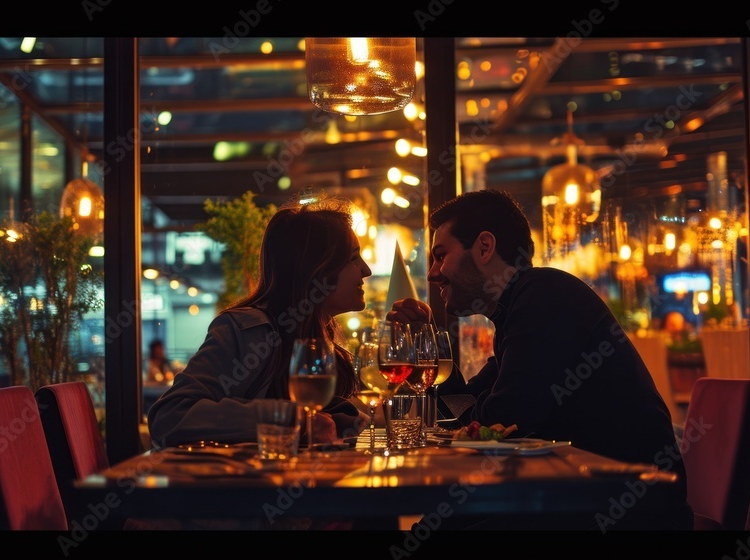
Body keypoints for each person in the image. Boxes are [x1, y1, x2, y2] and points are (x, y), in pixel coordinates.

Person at [387, 189, 692, 530]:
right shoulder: (520, 308)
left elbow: (502, 420)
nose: (432, 273)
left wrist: (479, 416)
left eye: (440, 256)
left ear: (485, 247)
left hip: (627, 510)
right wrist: (429, 347)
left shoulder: (544, 296)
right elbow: (468, 412)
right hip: (581, 497)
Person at [148, 195, 372, 448]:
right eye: (354, 257)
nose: (366, 270)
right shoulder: (249, 331)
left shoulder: (325, 343)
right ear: (316, 268)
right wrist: (290, 418)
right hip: (249, 486)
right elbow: (169, 417)